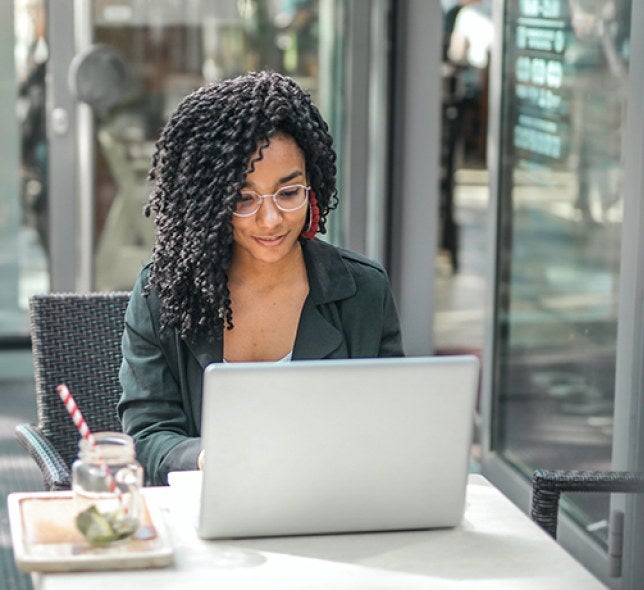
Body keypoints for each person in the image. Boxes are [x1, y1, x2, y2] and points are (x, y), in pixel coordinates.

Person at [118, 70, 404, 486]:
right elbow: (146, 437)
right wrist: (206, 457)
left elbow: (392, 430)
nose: (270, 220)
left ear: (314, 188)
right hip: (207, 516)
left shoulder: (363, 291)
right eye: (243, 198)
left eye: (289, 193)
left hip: (334, 510)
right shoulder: (164, 293)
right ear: (209, 203)